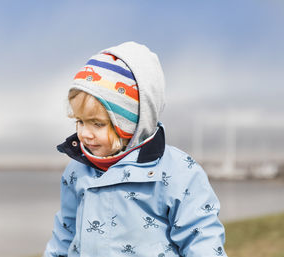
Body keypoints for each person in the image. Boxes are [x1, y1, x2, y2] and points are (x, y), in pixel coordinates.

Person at [44, 41, 227, 257]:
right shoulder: (77, 172)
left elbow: (201, 238)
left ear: (132, 123)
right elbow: (64, 235)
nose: (84, 133)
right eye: (80, 121)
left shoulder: (177, 172)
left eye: (98, 124)